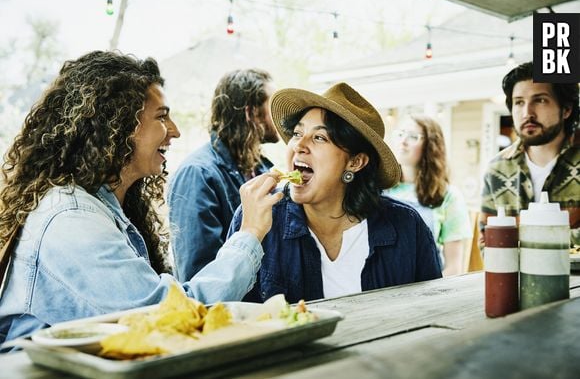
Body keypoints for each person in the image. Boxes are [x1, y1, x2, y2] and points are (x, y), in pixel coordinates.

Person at [0, 51, 282, 345]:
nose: (175, 130)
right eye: (161, 117)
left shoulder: (109, 204)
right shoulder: (71, 219)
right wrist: (249, 233)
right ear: (115, 125)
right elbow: (165, 318)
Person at [228, 82, 442, 304]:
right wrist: (249, 234)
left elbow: (431, 312)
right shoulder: (256, 217)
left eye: (319, 137)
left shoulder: (406, 227)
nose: (299, 145)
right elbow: (231, 318)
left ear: (356, 162)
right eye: (297, 133)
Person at [168, 69, 278, 282]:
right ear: (251, 113)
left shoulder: (263, 169)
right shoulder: (197, 174)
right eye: (272, 105)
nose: (283, 115)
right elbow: (198, 274)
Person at [481, 61, 579, 247]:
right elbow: (489, 241)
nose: (527, 113)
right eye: (519, 102)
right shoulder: (497, 168)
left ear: (566, 109)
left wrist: (520, 240)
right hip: (515, 276)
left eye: (540, 100)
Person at [385, 115, 471, 276]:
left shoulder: (449, 196)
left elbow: (454, 268)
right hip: (384, 289)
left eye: (413, 137)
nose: (403, 141)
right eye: (400, 134)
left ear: (431, 146)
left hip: (428, 288)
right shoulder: (379, 189)